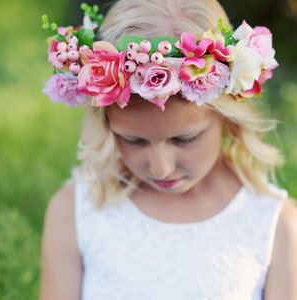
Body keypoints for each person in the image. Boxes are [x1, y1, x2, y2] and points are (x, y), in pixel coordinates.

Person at [40, 0, 297, 299]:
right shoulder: (76, 212)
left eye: (184, 140)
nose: (161, 168)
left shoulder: (275, 226)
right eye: (134, 140)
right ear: (106, 124)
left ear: (228, 121)